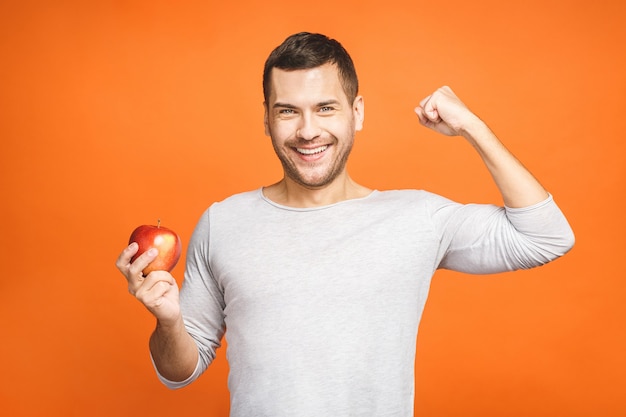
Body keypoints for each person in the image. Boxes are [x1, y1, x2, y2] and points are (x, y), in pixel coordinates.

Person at [116, 32, 574, 416]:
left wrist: (472, 124)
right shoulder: (223, 221)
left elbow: (547, 237)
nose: (308, 130)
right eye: (288, 111)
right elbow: (180, 373)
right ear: (267, 119)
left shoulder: (416, 217)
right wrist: (169, 321)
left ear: (357, 112)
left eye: (326, 108)